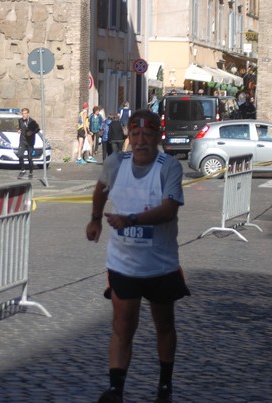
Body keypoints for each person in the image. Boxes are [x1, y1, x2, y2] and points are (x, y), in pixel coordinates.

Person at [86, 109, 190, 403]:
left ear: (158, 136)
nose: (141, 140)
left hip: (160, 265)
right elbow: (100, 189)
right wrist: (95, 219)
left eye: (148, 134)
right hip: (123, 264)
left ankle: (165, 386)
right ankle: (116, 389)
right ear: (129, 137)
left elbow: (169, 209)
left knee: (164, 325)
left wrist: (131, 220)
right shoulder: (116, 163)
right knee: (122, 325)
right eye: (135, 135)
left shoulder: (169, 166)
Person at [17, 107, 40, 179]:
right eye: (23, 113)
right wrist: (18, 130)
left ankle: (31, 172)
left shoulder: (32, 121)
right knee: (20, 155)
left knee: (30, 157)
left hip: (30, 142)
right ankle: (23, 170)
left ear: (28, 114)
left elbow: (37, 129)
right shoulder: (20, 120)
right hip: (22, 141)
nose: (24, 115)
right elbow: (19, 127)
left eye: (25, 113)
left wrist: (32, 132)